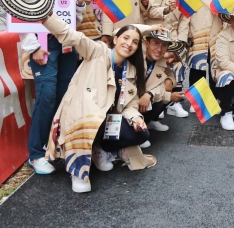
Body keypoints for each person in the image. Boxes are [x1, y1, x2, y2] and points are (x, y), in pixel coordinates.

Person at [40, 12, 164, 192]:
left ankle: (100, 149)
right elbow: (71, 35)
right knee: (89, 122)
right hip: (84, 115)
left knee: (141, 134)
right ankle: (78, 172)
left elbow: (129, 105)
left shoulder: (131, 70)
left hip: (108, 120)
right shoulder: (97, 51)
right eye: (125, 38)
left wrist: (136, 119)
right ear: (115, 39)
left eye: (135, 42)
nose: (129, 44)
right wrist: (45, 17)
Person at [23, 0, 87, 175]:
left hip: (67, 46)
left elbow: (74, 21)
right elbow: (21, 16)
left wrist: (78, 2)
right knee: (47, 96)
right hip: (43, 45)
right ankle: (36, 154)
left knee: (63, 97)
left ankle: (54, 148)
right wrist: (33, 47)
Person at [185, 0, 223, 88]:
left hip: (215, 32)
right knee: (197, 69)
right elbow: (186, 11)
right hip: (197, 30)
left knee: (215, 68)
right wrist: (188, 30)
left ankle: (214, 100)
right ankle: (196, 103)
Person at [140, 31, 180, 137]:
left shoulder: (160, 60)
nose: (159, 49)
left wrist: (169, 81)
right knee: (135, 137)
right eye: (156, 43)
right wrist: (150, 94)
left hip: (145, 97)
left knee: (171, 89)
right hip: (129, 102)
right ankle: (136, 130)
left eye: (164, 45)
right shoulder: (136, 58)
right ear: (147, 43)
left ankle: (149, 122)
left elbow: (170, 74)